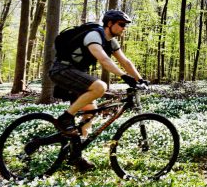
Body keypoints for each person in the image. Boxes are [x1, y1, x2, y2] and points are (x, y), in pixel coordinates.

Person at [49, 9, 143, 171]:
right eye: (121, 24)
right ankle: (65, 118)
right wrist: (123, 76)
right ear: (109, 24)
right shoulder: (94, 35)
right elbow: (103, 59)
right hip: (61, 70)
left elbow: (126, 62)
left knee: (90, 111)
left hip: (75, 73)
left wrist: (139, 79)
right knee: (100, 87)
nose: (123, 28)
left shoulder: (111, 42)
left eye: (125, 25)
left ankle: (76, 155)